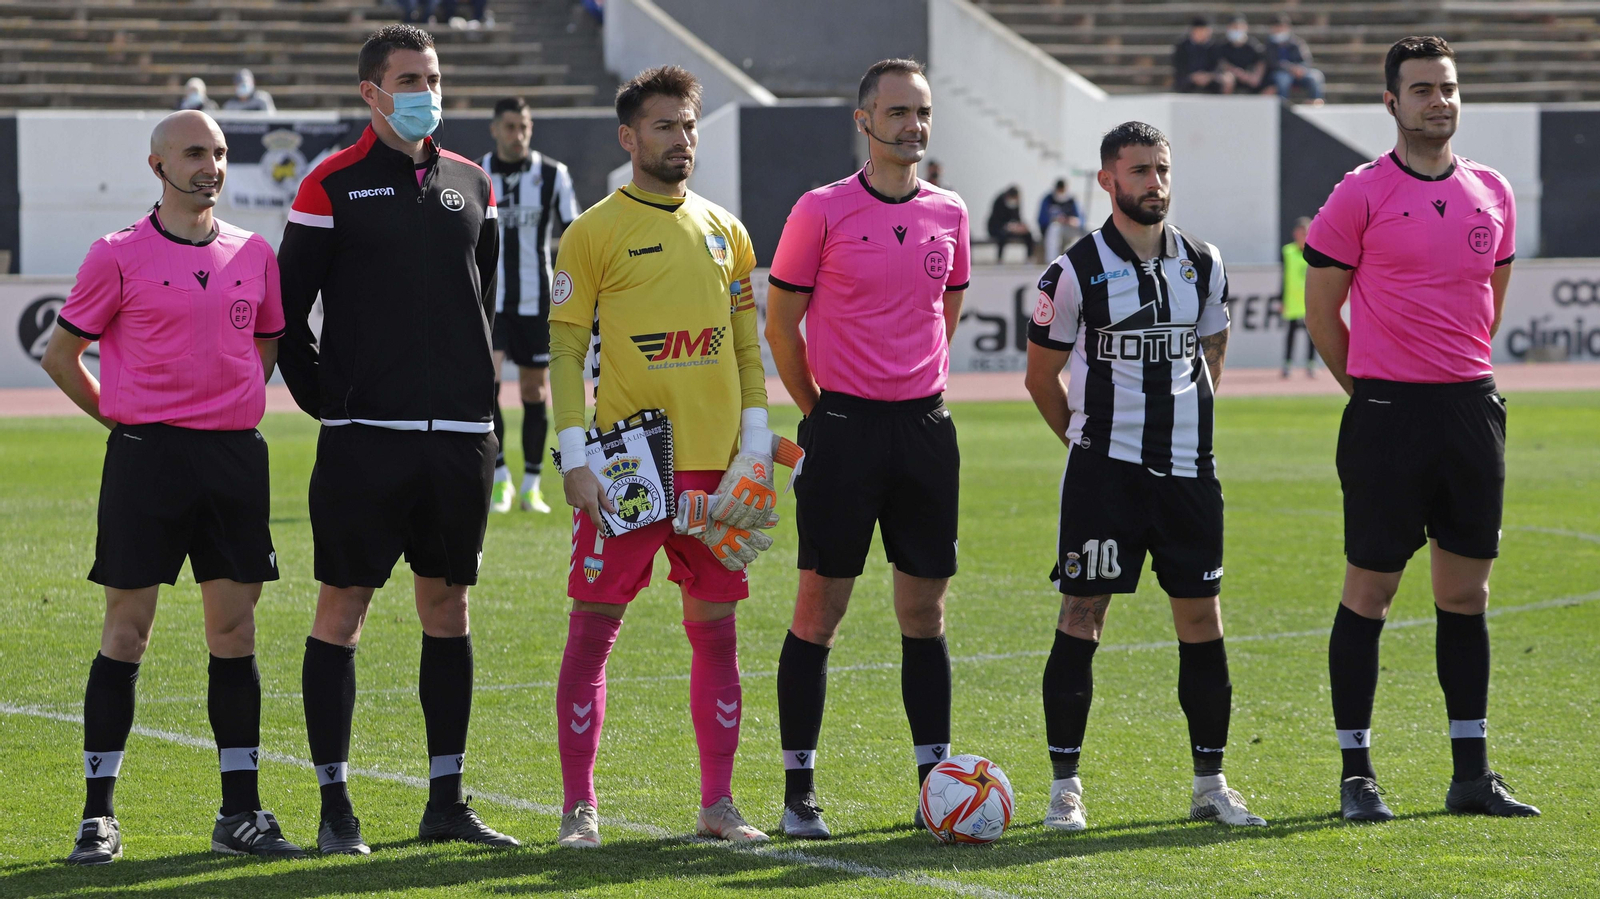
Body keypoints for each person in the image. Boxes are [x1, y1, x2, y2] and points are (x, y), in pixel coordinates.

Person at [276, 24, 518, 856]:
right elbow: (284, 316)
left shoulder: (473, 181)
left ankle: (446, 798)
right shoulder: (329, 184)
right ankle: (335, 806)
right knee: (342, 612)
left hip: (458, 440)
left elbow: (476, 302)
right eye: (410, 77)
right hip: (362, 442)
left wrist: (488, 413)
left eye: (435, 75)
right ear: (371, 92)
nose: (427, 90)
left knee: (447, 608)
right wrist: (326, 402)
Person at [42, 110, 302, 864]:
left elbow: (268, 338)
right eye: (194, 153)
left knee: (235, 633)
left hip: (233, 461)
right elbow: (64, 355)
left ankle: (240, 813)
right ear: (157, 166)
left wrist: (226, 403)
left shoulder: (254, 252)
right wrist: (124, 421)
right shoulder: (115, 254)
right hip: (145, 458)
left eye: (219, 152)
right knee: (127, 632)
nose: (210, 165)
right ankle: (98, 816)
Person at [1303, 35, 1538, 823]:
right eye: (1423, 90)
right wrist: (1370, 391)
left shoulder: (1493, 192)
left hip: (1471, 409)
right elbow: (1321, 313)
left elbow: (1490, 299)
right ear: (1391, 103)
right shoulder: (1360, 194)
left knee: (1466, 593)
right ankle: (1356, 772)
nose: (1440, 101)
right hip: (1387, 416)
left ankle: (1470, 772)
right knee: (1370, 590)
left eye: (1449, 87)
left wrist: (1453, 378)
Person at [547, 65, 771, 850]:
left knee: (717, 634)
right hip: (627, 468)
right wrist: (575, 457)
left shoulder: (726, 230)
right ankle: (581, 808)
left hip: (716, 471)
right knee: (593, 629)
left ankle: (718, 803)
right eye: (666, 126)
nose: (682, 139)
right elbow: (567, 351)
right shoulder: (594, 230)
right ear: (629, 137)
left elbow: (747, 344)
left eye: (689, 125)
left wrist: (757, 444)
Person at [1025, 121, 1267, 833]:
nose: (1153, 182)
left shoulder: (1203, 261)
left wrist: (1186, 426)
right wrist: (1089, 439)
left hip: (1191, 473)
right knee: (1081, 614)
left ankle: (1210, 783)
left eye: (1161, 169)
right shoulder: (1073, 272)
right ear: (1107, 180)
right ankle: (1065, 788)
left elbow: (1211, 354)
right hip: (1105, 474)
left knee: (1201, 616)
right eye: (1138, 171)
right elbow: (1041, 377)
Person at [766, 58, 970, 840]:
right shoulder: (820, 210)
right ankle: (798, 793)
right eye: (896, 112)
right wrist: (821, 414)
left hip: (925, 431)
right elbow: (782, 327)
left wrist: (911, 394)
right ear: (864, 122)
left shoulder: (949, 212)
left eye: (921, 112)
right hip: (843, 430)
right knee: (820, 610)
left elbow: (943, 315)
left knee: (925, 611)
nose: (912, 125)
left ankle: (936, 791)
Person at [480, 96, 580, 515]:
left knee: (535, 391)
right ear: (495, 129)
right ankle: (500, 480)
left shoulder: (553, 174)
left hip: (537, 301)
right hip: (491, 302)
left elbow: (574, 233)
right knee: (486, 390)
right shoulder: (476, 173)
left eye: (523, 127)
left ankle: (532, 486)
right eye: (509, 127)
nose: (517, 135)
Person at [1282, 216, 1316, 377]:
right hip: (1292, 301)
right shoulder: (1288, 252)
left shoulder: (1316, 252)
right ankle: (1287, 364)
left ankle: (1311, 364)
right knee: (1291, 334)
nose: (1303, 235)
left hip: (1310, 300)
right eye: (1301, 232)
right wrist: (1281, 298)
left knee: (1312, 334)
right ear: (1295, 233)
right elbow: (1283, 277)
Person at [1267, 15, 1326, 104]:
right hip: (1281, 73)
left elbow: (1306, 60)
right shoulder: (1269, 45)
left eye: (1282, 27)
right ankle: (1283, 106)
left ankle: (1314, 103)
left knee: (1316, 76)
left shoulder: (1297, 43)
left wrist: (1300, 69)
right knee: (1283, 80)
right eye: (1277, 27)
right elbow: (1272, 63)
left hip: (1299, 73)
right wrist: (1290, 68)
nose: (1280, 30)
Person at [1216, 15, 1270, 95]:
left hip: (1250, 77)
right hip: (1233, 77)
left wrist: (1255, 76)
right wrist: (1240, 74)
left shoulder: (1254, 46)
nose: (1237, 30)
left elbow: (1261, 62)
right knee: (1227, 80)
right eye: (1234, 27)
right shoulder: (1222, 46)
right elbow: (1222, 64)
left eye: (1240, 27)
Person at [1173, 17, 1227, 94]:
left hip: (1209, 78)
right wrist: (1193, 76)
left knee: (1220, 84)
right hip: (1189, 77)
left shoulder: (1214, 46)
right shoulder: (1182, 46)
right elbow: (1179, 65)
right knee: (1182, 83)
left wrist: (1208, 76)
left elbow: (1218, 64)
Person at [1038, 178, 1082, 261]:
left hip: (1069, 229)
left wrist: (1070, 220)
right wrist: (1055, 219)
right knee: (1055, 227)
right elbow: (1042, 219)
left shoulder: (1071, 200)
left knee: (1089, 228)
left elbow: (1080, 218)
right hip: (1053, 230)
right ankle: (1051, 261)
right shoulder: (1048, 199)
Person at [987, 185, 1034, 262]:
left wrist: (1020, 227)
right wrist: (1009, 227)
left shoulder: (1016, 203)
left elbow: (1018, 218)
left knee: (1028, 234)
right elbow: (997, 220)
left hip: (1012, 229)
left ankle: (1029, 258)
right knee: (1002, 235)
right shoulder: (999, 201)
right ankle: (999, 259)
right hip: (996, 228)